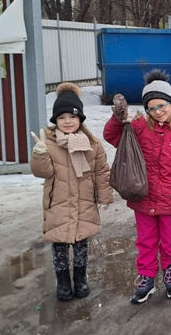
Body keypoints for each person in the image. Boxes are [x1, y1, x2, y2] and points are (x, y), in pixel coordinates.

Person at [103, 70, 171, 304]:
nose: (158, 111)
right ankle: (146, 276)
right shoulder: (138, 127)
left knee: (169, 241)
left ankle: (170, 272)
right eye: (151, 108)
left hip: (170, 200)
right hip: (143, 197)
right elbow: (111, 136)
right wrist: (118, 119)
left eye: (162, 105)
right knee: (145, 241)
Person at [30, 82, 113, 301]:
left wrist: (104, 196)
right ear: (55, 120)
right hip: (58, 203)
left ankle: (80, 278)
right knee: (59, 244)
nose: (68, 121)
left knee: (81, 243)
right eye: (62, 117)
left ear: (80, 119)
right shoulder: (49, 143)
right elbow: (43, 172)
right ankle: (63, 283)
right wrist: (40, 154)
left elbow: (101, 171)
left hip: (84, 202)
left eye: (73, 116)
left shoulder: (92, 144)